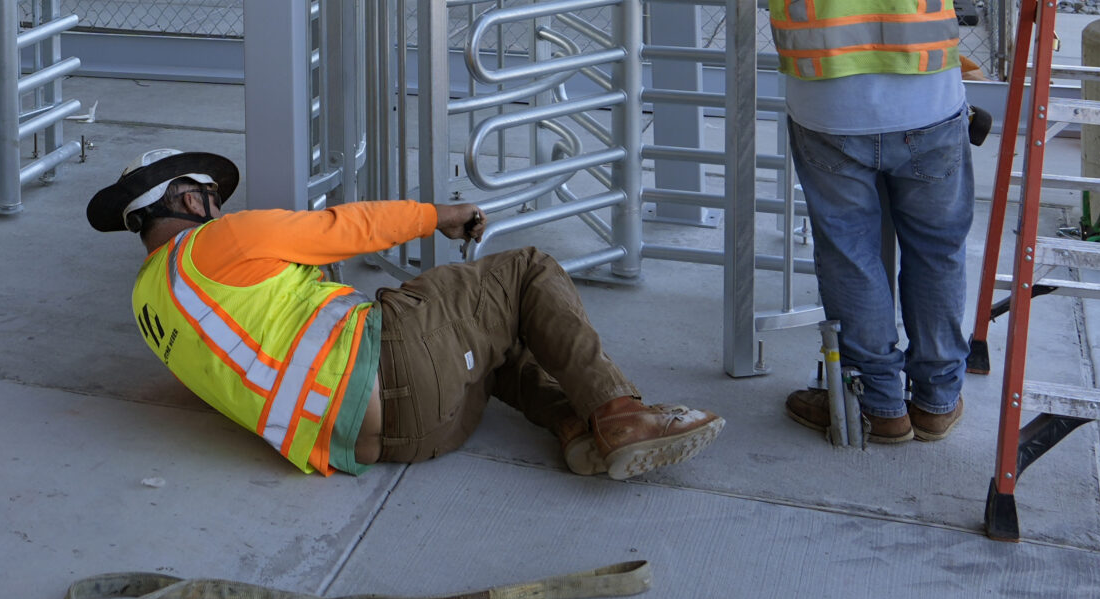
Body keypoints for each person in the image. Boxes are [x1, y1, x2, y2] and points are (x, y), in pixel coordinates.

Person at [712, 0, 1003, 443]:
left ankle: (881, 404)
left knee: (850, 255)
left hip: (826, 107)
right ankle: (937, 399)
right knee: (936, 250)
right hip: (930, 100)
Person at [90, 149, 724, 480]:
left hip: (395, 441)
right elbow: (343, 228)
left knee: (494, 343)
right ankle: (621, 414)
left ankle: (574, 428)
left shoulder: (151, 306)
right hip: (395, 361)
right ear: (182, 199)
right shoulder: (217, 243)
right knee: (526, 269)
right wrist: (440, 214)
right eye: (204, 195)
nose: (215, 206)